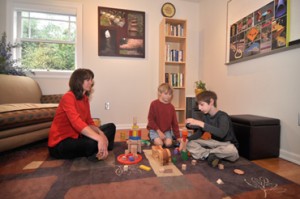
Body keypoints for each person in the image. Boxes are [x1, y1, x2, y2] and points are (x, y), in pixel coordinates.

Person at [48, 68, 116, 161]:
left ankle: (101, 147)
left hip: (78, 136)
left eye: (91, 80)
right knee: (91, 143)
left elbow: (89, 122)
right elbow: (76, 123)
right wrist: (99, 138)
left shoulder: (85, 99)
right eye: (88, 80)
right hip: (61, 143)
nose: (91, 82)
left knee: (111, 127)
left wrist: (101, 134)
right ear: (78, 81)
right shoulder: (68, 97)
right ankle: (101, 147)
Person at [184, 90, 239, 167]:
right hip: (213, 143)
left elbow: (221, 134)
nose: (199, 108)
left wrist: (200, 123)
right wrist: (187, 139)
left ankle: (206, 154)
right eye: (199, 105)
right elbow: (200, 132)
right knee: (190, 144)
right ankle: (211, 155)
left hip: (226, 144)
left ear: (211, 102)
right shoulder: (206, 116)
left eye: (202, 104)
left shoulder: (223, 116)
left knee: (232, 151)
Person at [147, 83, 180, 147]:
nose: (168, 96)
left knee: (168, 144)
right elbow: (150, 120)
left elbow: (174, 123)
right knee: (160, 144)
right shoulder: (154, 104)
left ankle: (164, 139)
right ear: (160, 93)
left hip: (166, 130)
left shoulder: (171, 107)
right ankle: (151, 136)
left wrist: (178, 137)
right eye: (166, 94)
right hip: (155, 130)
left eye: (170, 94)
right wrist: (159, 132)